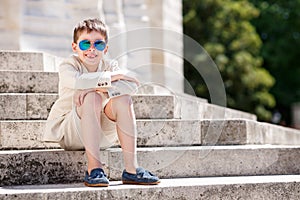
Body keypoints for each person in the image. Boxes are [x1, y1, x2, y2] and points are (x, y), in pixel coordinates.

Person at [42, 18, 160, 187]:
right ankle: (94, 169)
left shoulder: (110, 65)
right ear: (75, 47)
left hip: (102, 133)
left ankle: (132, 169)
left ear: (105, 48)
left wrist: (92, 87)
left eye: (98, 44)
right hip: (72, 132)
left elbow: (132, 85)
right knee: (92, 98)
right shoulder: (68, 65)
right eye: (85, 44)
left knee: (123, 99)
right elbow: (77, 81)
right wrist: (109, 80)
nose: (91, 49)